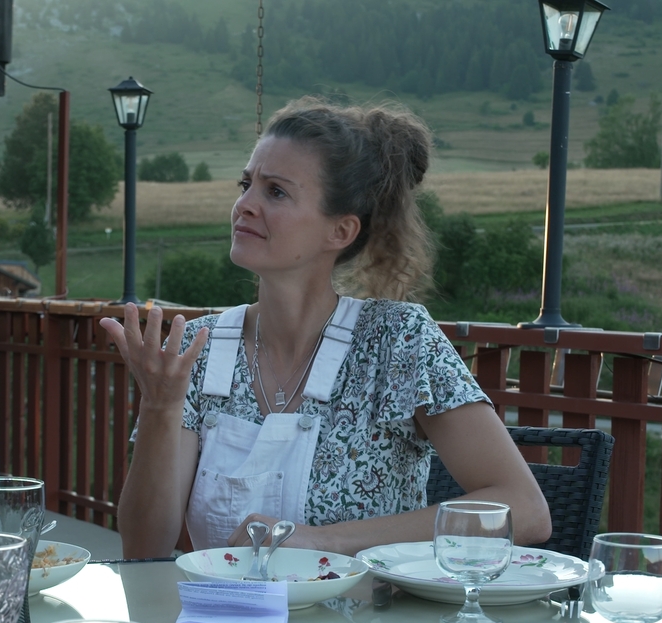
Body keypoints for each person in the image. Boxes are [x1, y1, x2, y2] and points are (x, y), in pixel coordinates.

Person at [101, 97, 551, 559]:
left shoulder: (395, 340)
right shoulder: (203, 347)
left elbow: (525, 509)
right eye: (246, 184)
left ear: (339, 232)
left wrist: (320, 541)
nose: (244, 205)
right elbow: (144, 548)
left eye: (275, 192)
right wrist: (160, 406)